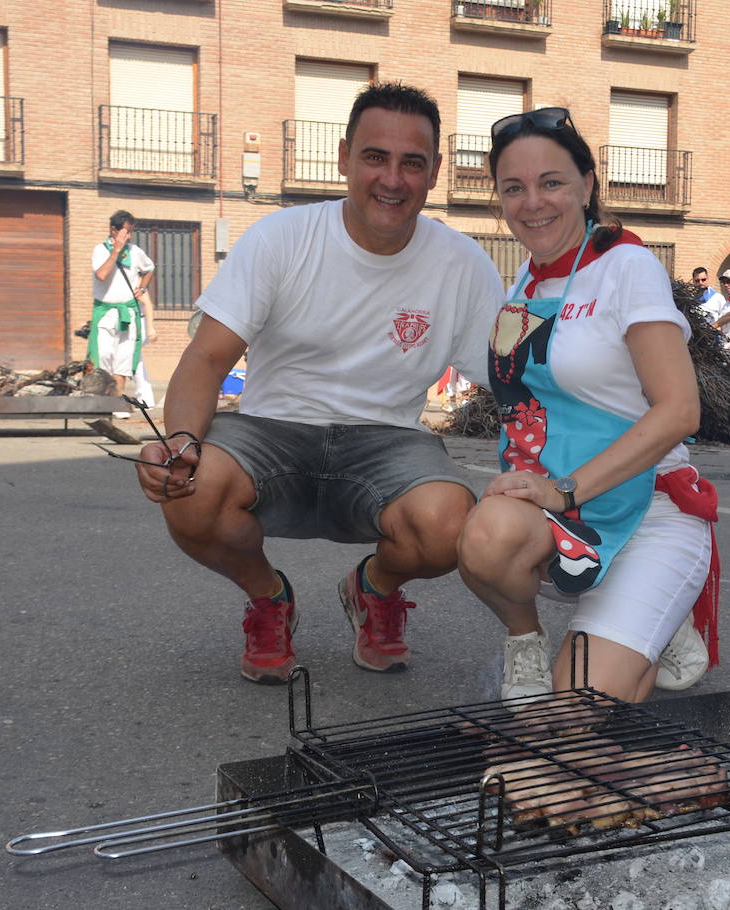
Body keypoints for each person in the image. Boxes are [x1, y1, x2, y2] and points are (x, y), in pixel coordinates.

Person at [133, 83, 505, 684]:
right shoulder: (281, 238)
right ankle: (268, 599)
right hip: (270, 430)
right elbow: (204, 360)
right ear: (343, 158)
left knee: (451, 524)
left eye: (413, 162)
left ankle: (373, 589)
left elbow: (514, 382)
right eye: (375, 157)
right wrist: (179, 443)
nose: (392, 178)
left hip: (387, 441)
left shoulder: (464, 263)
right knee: (191, 489)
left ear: (435, 172)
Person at [456, 107, 719, 705]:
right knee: (476, 532)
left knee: (568, 725)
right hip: (570, 524)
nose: (533, 203)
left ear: (586, 185)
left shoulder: (628, 267)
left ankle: (660, 610)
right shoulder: (524, 278)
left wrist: (564, 490)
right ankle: (527, 637)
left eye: (551, 182)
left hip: (649, 511)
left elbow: (680, 411)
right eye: (514, 188)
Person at [90, 210, 157, 396]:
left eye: (130, 232)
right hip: (106, 312)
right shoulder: (100, 250)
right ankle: (104, 399)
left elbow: (150, 268)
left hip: (128, 312)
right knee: (103, 356)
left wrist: (142, 287)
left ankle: (117, 401)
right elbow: (102, 275)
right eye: (125, 231)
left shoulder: (136, 252)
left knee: (124, 359)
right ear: (113, 230)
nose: (128, 236)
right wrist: (116, 251)